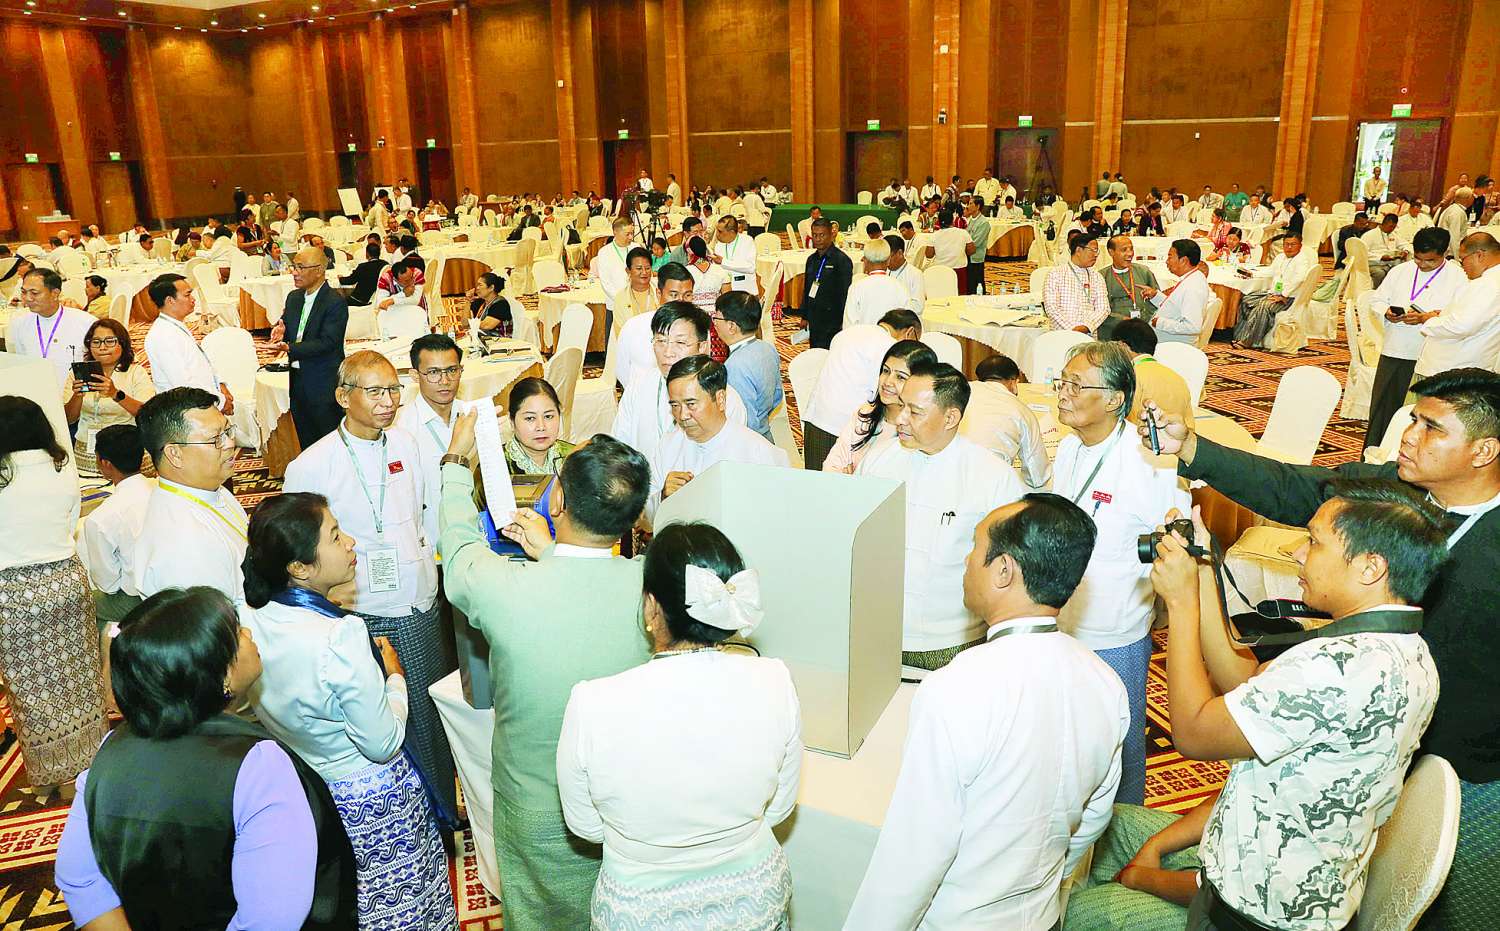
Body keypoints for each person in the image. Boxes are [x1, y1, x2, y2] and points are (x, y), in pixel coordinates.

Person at [1139, 367, 1500, 929]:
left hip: (1457, 752)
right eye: (1412, 420)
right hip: (1351, 724)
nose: (1408, 436)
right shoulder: (1396, 493)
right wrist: (1194, 450)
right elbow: (1296, 487)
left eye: (1431, 428)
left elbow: (1196, 731)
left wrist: (1184, 605)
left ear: (1483, 451)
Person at [1148, 485, 1442, 931]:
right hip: (1312, 889)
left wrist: (1180, 605)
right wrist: (1204, 568)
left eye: (1314, 541)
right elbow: (1246, 683)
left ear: (1370, 567)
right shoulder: (1404, 649)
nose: (1297, 553)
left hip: (1251, 913)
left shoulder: (1335, 668)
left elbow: (1193, 733)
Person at [844, 494, 1129, 928]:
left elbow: (913, 858)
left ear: (1003, 571)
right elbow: (1093, 820)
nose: (965, 561)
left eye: (974, 548)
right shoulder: (1106, 683)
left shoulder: (956, 687)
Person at [438, 426, 654, 930]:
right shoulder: (651, 585)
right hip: (629, 801)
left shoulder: (505, 589)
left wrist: (454, 464)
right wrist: (553, 553)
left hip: (535, 807)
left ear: (557, 500)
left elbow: (459, 549)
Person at [54, 586, 359, 930]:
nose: (249, 635)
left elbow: (79, 878)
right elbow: (271, 918)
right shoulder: (258, 764)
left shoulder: (110, 751)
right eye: (237, 632)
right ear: (222, 673)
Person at [557, 521, 800, 927]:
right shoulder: (776, 679)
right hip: (755, 898)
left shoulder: (592, 702)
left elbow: (585, 826)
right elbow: (779, 807)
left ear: (652, 607)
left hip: (641, 908)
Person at [240, 493, 457, 930]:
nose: (351, 542)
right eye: (336, 536)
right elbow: (382, 743)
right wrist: (394, 680)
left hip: (309, 783)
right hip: (373, 799)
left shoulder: (251, 617)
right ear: (300, 567)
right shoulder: (339, 636)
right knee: (402, 906)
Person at [282, 351, 457, 825]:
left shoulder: (408, 443)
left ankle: (442, 816)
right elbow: (298, 553)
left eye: (394, 390)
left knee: (430, 715)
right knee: (377, 719)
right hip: (358, 609)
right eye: (375, 391)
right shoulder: (312, 465)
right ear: (344, 397)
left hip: (418, 600)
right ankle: (400, 818)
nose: (388, 402)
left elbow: (426, 513)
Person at [1052, 341, 1189, 804]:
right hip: (1063, 621)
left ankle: (1124, 826)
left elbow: (1177, 538)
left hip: (1116, 632)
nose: (1063, 393)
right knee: (1067, 740)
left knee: (1119, 745)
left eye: (1076, 385)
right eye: (1062, 382)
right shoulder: (1068, 449)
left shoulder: (1147, 459)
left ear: (1114, 399)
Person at [858, 360, 1025, 670]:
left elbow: (1013, 568)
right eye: (902, 406)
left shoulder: (991, 477)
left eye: (915, 412)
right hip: (878, 632)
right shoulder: (879, 460)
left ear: (951, 417)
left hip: (952, 642)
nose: (901, 419)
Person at [0, 396, 107, 795]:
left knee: (30, 688)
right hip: (65, 581)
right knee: (81, 677)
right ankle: (89, 764)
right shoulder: (61, 466)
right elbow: (70, 520)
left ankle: (52, 775)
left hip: (12, 593)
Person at [133, 388, 248, 602]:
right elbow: (217, 619)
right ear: (174, 454)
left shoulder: (211, 488)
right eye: (216, 438)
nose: (230, 443)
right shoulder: (184, 547)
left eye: (227, 431)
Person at [644, 357, 787, 526]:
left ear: (720, 399)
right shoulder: (669, 445)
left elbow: (780, 519)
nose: (682, 415)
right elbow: (646, 520)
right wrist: (663, 497)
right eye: (675, 406)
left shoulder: (759, 454)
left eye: (691, 404)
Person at [609, 302, 749, 465]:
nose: (668, 352)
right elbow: (620, 447)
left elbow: (728, 462)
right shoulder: (638, 387)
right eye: (661, 341)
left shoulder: (724, 399)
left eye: (680, 343)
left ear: (702, 347)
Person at [1363, 227, 1464, 450]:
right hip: (1396, 348)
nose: (1423, 264)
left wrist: (1426, 317)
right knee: (1384, 407)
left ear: (1444, 253)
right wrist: (1387, 312)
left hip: (1430, 353)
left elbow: (1459, 315)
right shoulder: (1401, 271)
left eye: (1430, 260)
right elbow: (1376, 300)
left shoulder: (1458, 277)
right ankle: (1375, 455)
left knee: (1420, 412)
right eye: (1418, 258)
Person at [803, 309, 923, 471]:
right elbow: (883, 393)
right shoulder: (889, 347)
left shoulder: (848, 332)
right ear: (910, 333)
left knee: (817, 480)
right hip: (851, 428)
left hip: (817, 417)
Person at [269, 246, 350, 448]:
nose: (294, 272)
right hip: (297, 380)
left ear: (319, 270)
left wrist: (290, 348)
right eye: (293, 267)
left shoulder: (334, 301)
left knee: (330, 441)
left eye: (300, 267)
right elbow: (290, 326)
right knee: (306, 442)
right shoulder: (294, 298)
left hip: (323, 381)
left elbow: (328, 343)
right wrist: (281, 330)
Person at [394, 334, 466, 546]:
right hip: (427, 542)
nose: (445, 381)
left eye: (452, 370)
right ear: (415, 376)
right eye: (433, 372)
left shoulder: (473, 416)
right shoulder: (400, 428)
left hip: (474, 537)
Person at [825, 340, 937, 475]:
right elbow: (831, 466)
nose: (888, 382)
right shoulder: (865, 414)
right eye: (886, 371)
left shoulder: (921, 430)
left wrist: (855, 481)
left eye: (900, 377)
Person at [80, 425, 153, 628]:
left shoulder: (101, 518)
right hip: (177, 586)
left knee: (84, 602)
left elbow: (108, 585)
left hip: (142, 600)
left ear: (105, 463)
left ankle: (111, 645)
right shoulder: (161, 490)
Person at [61, 318, 153, 475]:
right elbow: (69, 419)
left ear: (122, 344)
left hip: (126, 452)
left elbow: (147, 414)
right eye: (96, 342)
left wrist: (115, 394)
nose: (102, 347)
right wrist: (77, 396)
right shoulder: (77, 374)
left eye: (109, 341)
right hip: (87, 451)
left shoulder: (135, 373)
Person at [143, 274, 236, 419]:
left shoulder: (174, 326)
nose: (193, 299)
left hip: (201, 403)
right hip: (186, 413)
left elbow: (200, 363)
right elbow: (183, 383)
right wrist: (220, 401)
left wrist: (220, 385)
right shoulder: (163, 335)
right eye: (187, 295)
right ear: (170, 300)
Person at [1412, 232, 1500, 379]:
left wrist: (1429, 320)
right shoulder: (1491, 281)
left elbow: (1461, 326)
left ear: (1479, 255)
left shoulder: (1487, 284)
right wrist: (1445, 315)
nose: (1462, 266)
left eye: (1462, 259)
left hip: (1450, 369)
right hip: (1468, 366)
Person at [959, 352, 1051, 487]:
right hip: (990, 485)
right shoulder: (1021, 410)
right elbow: (1037, 476)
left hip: (944, 473)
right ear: (1014, 382)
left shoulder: (958, 391)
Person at [7, 268, 95, 388]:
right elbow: (21, 364)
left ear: (55, 293)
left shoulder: (85, 322)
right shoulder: (19, 324)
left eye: (34, 293)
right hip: (35, 389)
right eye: (24, 292)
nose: (27, 298)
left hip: (74, 392)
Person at [714, 290, 782, 441]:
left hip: (747, 442)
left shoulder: (734, 365)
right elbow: (777, 395)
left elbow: (744, 416)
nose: (715, 323)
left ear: (731, 326)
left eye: (717, 318)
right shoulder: (767, 348)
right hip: (765, 436)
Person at [615, 263, 695, 388]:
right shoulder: (634, 327)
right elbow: (622, 370)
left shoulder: (698, 328)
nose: (681, 301)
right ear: (659, 294)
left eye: (687, 295)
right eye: (673, 295)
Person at [1231, 232, 1316, 347]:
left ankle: (1248, 341)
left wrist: (1284, 295)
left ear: (1300, 245)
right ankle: (1240, 335)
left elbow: (1299, 279)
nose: (1289, 247)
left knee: (1264, 306)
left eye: (1293, 244)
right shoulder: (1280, 257)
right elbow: (1270, 271)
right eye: (1286, 244)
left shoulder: (1302, 260)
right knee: (1246, 300)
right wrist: (1252, 273)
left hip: (1289, 298)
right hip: (1274, 293)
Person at [1113, 317, 1193, 426]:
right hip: (1177, 435)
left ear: (1122, 346)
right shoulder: (1178, 378)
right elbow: (1189, 425)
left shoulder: (1129, 377)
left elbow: (1125, 423)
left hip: (1142, 435)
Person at [799, 217, 855, 348]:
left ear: (831, 235)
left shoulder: (841, 260)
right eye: (815, 235)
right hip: (814, 318)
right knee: (816, 353)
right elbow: (807, 288)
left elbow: (845, 294)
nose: (818, 239)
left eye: (822, 235)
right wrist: (805, 316)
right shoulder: (811, 260)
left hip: (833, 320)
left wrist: (842, 321)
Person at [1142, 238, 1209, 344]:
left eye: (1170, 257)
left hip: (1172, 345)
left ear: (1183, 261)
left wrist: (1160, 323)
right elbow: (1176, 307)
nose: (1167, 261)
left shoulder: (1193, 287)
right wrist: (1155, 296)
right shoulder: (1192, 278)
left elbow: (1193, 327)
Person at [1044, 232, 1110, 337]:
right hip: (1061, 334)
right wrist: (1073, 330)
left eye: (1097, 251)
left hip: (1088, 334)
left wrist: (1087, 327)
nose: (1096, 255)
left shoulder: (1097, 276)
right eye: (1093, 250)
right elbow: (1051, 308)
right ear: (1079, 250)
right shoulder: (1055, 274)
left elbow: (1104, 308)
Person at [504, 377, 575, 475]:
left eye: (548, 416)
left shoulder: (574, 457)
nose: (541, 427)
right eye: (530, 418)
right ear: (511, 421)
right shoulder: (495, 466)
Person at [842, 238, 910, 330]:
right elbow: (907, 324)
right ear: (888, 260)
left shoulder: (856, 287)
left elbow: (849, 326)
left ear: (865, 261)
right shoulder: (900, 288)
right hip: (891, 338)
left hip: (863, 338)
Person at [1101, 235, 1160, 339]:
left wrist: (1145, 319)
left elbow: (1157, 300)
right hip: (1112, 332)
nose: (1130, 254)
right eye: (1124, 250)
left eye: (1131, 249)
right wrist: (1121, 320)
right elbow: (1098, 310)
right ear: (1111, 252)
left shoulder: (1144, 271)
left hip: (1141, 329)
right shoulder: (1101, 276)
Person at [613, 246, 658, 335]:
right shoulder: (621, 298)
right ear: (628, 271)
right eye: (639, 268)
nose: (644, 272)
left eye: (647, 268)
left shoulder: (660, 292)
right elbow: (620, 332)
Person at [1362, 211, 1411, 286]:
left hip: (1389, 262)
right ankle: (1376, 290)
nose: (1392, 229)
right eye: (1390, 226)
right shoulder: (1369, 235)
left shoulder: (1393, 234)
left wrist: (1405, 251)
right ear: (1384, 223)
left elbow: (1405, 244)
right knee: (1379, 273)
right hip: (1373, 263)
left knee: (1402, 268)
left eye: (1394, 227)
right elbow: (1362, 253)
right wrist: (1380, 257)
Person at [884, 234, 926, 313]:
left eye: (888, 257)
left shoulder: (915, 274)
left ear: (900, 253)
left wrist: (892, 303)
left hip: (906, 318)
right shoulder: (884, 271)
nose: (885, 261)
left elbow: (918, 306)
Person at [596, 217, 636, 299]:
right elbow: (606, 283)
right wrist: (621, 299)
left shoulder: (636, 247)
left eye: (632, 233)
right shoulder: (604, 252)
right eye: (627, 234)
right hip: (615, 301)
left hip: (637, 299)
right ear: (615, 233)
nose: (631, 237)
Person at [339, 242, 387, 308]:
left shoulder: (363, 267)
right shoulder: (385, 264)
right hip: (375, 298)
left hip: (359, 300)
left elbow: (350, 281)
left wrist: (340, 278)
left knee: (337, 301)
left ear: (367, 254)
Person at [1438, 187, 1474, 259]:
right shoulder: (1457, 212)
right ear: (1468, 198)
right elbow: (1454, 236)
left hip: (1445, 249)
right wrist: (1457, 257)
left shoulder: (1453, 208)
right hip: (1449, 253)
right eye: (1472, 197)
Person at [965, 199, 991, 292]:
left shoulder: (984, 223)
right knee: (969, 283)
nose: (968, 206)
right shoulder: (971, 220)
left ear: (978, 206)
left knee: (977, 283)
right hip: (967, 256)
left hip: (976, 257)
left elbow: (976, 242)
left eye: (970, 203)